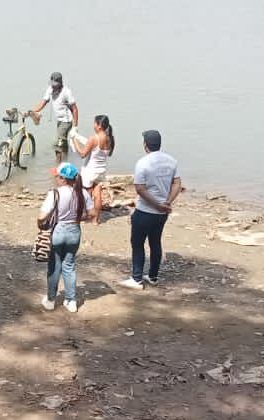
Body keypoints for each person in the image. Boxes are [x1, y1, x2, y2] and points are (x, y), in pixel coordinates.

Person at [121, 130, 181, 290]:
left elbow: (140, 188)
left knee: (137, 243)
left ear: (145, 145)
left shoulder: (143, 163)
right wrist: (167, 202)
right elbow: (177, 183)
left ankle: (136, 279)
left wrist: (157, 205)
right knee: (155, 242)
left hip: (145, 211)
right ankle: (153, 276)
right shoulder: (171, 161)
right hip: (162, 212)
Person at [38, 163, 93, 312]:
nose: (55, 178)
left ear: (63, 178)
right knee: (69, 266)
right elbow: (92, 214)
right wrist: (77, 219)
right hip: (74, 231)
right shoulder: (83, 193)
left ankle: (51, 300)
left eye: (57, 176)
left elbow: (42, 216)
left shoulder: (55, 193)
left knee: (54, 266)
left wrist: (40, 224)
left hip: (58, 231)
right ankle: (71, 300)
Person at [69, 114, 115, 224]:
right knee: (97, 194)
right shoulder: (109, 139)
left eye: (94, 123)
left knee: (85, 193)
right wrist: (78, 137)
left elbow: (82, 154)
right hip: (101, 171)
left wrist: (74, 141)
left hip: (90, 171)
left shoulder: (94, 138)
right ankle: (95, 220)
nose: (93, 125)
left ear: (99, 126)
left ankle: (84, 215)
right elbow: (106, 153)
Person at [29, 72, 80, 166]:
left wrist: (75, 126)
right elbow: (43, 103)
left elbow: (74, 109)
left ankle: (58, 166)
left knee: (58, 143)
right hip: (59, 120)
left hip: (66, 121)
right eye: (52, 84)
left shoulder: (66, 92)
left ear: (60, 83)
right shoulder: (50, 89)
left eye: (55, 84)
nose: (53, 86)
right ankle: (66, 160)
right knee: (63, 142)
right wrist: (32, 111)